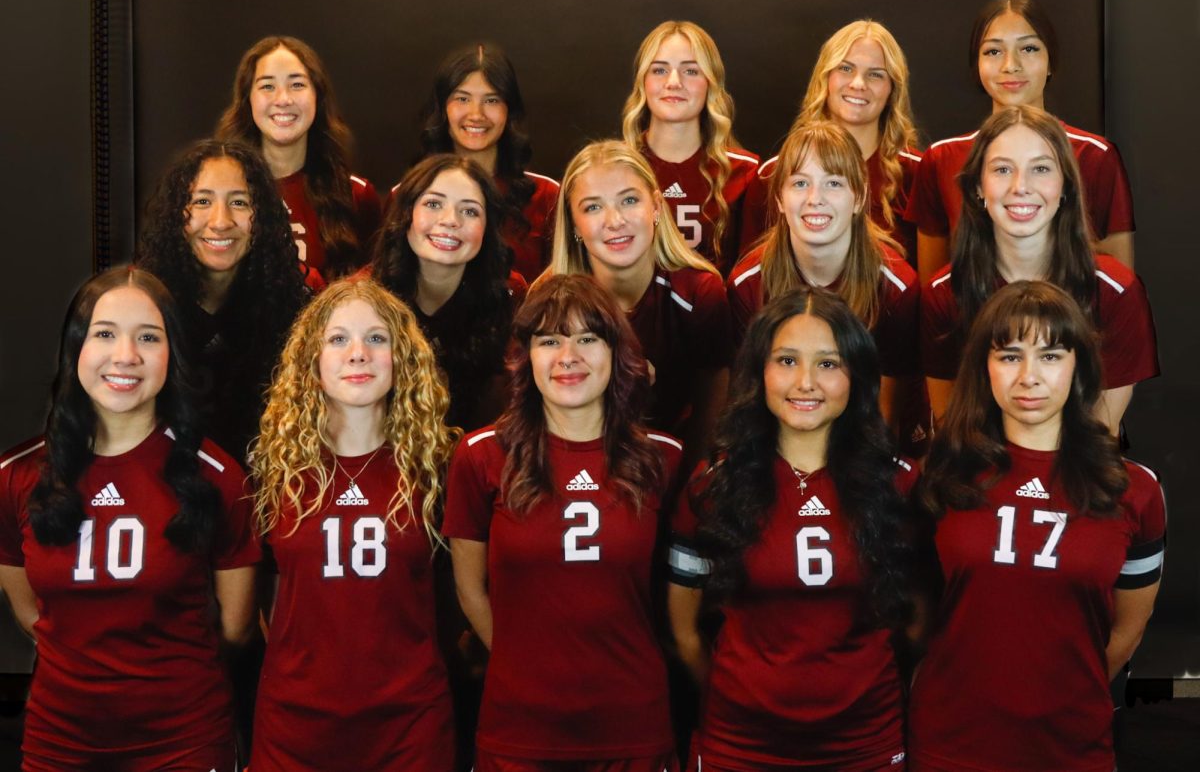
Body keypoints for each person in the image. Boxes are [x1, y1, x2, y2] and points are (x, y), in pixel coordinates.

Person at [0, 266, 258, 772]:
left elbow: (237, 628)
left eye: (148, 337)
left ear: (172, 355)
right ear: (77, 348)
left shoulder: (218, 477)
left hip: (184, 741)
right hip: (60, 742)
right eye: (104, 334)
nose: (126, 356)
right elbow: (28, 608)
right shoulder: (16, 476)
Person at [910, 280, 1164, 772]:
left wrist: (1057, 697)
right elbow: (915, 618)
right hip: (949, 746)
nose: (1029, 376)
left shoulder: (1134, 490)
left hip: (1072, 748)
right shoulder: (938, 475)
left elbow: (1125, 633)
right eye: (1009, 356)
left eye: (1050, 356)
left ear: (1078, 367)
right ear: (983, 367)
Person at [668, 287, 918, 771]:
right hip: (739, 745)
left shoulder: (901, 483)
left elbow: (920, 625)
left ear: (858, 376)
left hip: (866, 743)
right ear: (758, 371)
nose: (805, 382)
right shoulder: (714, 485)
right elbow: (684, 632)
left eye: (828, 364)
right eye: (786, 360)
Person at [444, 274, 683, 771]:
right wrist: (521, 664)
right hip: (520, 727)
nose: (567, 356)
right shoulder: (481, 455)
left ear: (616, 351)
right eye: (549, 340)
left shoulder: (663, 459)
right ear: (525, 356)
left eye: (586, 339)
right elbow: (470, 590)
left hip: (632, 724)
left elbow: (677, 598)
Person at [249, 278, 458, 771]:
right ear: (312, 361)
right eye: (338, 339)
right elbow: (262, 599)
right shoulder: (275, 468)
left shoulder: (440, 465)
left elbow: (459, 594)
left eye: (377, 338)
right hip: (294, 725)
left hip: (410, 725)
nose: (358, 354)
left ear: (402, 358)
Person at [920, 105, 1158, 435]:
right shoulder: (943, 293)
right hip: (976, 476)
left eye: (1041, 169)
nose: (1021, 186)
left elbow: (1101, 431)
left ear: (1065, 187)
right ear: (977, 188)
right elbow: (950, 425)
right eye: (1002, 170)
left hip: (1077, 476)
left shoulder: (1114, 290)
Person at [908, 0, 1136, 282]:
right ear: (976, 65)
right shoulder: (941, 159)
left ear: (1050, 60)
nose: (1010, 65)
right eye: (993, 51)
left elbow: (1119, 284)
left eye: (1028, 48)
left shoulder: (1095, 156)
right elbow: (934, 286)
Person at [728, 122, 921, 444]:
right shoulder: (748, 283)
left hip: (865, 439)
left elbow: (889, 410)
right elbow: (748, 396)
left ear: (858, 198)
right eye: (800, 183)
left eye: (833, 183)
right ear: (778, 198)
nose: (815, 199)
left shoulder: (896, 286)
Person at [546, 139, 731, 467]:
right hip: (577, 468)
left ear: (657, 207)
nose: (614, 220)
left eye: (629, 200)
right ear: (574, 223)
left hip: (676, 467)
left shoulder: (698, 292)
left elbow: (710, 424)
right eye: (592, 207)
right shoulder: (548, 298)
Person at [137, 138, 312, 465]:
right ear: (176, 214)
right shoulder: (140, 303)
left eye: (241, 203)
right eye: (202, 201)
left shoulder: (296, 302)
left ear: (265, 217)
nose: (220, 221)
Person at [371, 154, 525, 431]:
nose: (450, 220)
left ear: (487, 228)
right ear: (406, 215)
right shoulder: (363, 298)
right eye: (433, 204)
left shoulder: (512, 294)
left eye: (469, 211)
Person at [749, 19, 923, 260]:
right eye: (845, 68)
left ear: (892, 89)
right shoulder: (773, 174)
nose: (858, 84)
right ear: (825, 78)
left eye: (875, 74)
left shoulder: (919, 173)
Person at [216, 34, 382, 278]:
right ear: (247, 99)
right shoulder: (218, 190)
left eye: (297, 85)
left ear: (318, 96)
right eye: (267, 86)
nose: (283, 99)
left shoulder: (356, 195)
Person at [622, 20, 760, 272]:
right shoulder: (613, 168)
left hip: (715, 311)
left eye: (691, 71)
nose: (674, 82)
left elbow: (753, 278)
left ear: (711, 83)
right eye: (659, 70)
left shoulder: (746, 173)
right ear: (643, 82)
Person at [417, 42, 560, 283]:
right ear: (442, 108)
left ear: (510, 110)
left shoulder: (547, 196)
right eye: (462, 99)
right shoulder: (410, 194)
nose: (476, 114)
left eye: (492, 100)